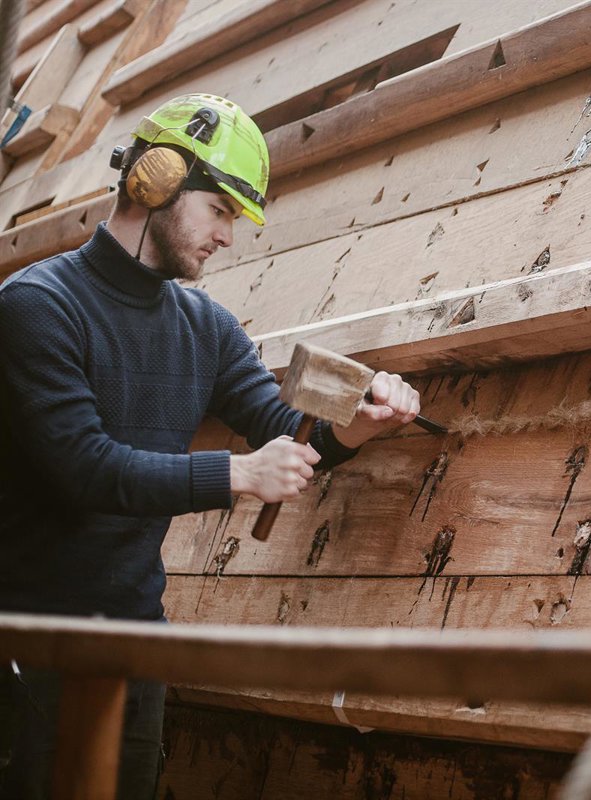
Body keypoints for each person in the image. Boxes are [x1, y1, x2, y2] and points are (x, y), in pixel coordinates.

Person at [0, 93, 420, 798]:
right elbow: (85, 468)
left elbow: (278, 427)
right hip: (25, 645)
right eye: (220, 211)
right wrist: (237, 474)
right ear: (156, 180)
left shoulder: (207, 327)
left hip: (134, 644)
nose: (228, 237)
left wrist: (357, 424)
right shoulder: (36, 306)